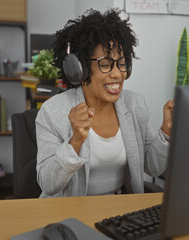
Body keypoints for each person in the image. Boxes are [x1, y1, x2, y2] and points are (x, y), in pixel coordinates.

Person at [35, 8, 174, 198]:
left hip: (118, 214)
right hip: (68, 214)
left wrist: (165, 133)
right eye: (106, 64)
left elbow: (153, 167)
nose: (117, 74)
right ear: (80, 68)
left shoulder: (135, 105)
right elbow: (48, 183)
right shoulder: (52, 112)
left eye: (122, 63)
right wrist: (74, 142)